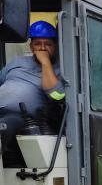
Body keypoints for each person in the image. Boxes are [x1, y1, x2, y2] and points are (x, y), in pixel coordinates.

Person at [0, 21, 66, 162]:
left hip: (21, 118)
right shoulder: (17, 62)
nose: (42, 48)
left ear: (55, 46)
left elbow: (56, 96)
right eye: (37, 44)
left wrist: (45, 63)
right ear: (31, 46)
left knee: (4, 126)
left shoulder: (59, 71)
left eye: (47, 44)